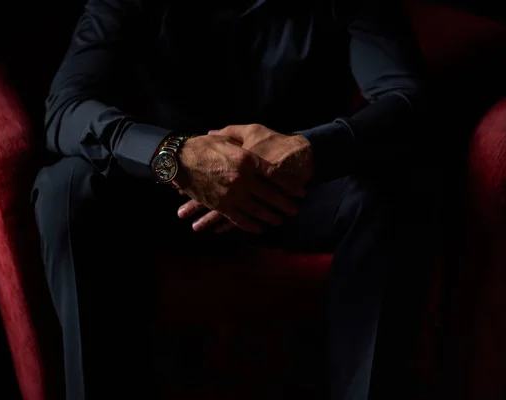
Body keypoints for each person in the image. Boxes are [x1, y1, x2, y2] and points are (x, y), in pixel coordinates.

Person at [32, 0, 428, 399]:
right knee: (64, 187)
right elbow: (66, 108)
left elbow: (409, 98)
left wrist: (311, 149)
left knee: (390, 190)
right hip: (171, 193)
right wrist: (173, 155)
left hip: (300, 191)